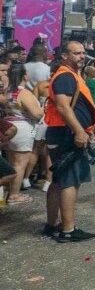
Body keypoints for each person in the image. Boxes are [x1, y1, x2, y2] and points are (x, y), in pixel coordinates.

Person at [42, 41, 95, 243]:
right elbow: (64, 107)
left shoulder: (69, 74)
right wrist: (79, 131)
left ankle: (51, 225)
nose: (82, 56)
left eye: (83, 53)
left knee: (58, 181)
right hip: (66, 135)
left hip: (62, 133)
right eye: (77, 53)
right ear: (64, 55)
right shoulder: (65, 76)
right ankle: (67, 229)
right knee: (69, 181)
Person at [3, 64, 44, 204]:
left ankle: (9, 191)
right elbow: (37, 113)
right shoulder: (24, 93)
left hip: (9, 127)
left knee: (11, 162)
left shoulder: (7, 91)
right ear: (25, 76)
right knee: (20, 164)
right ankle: (14, 195)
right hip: (23, 129)